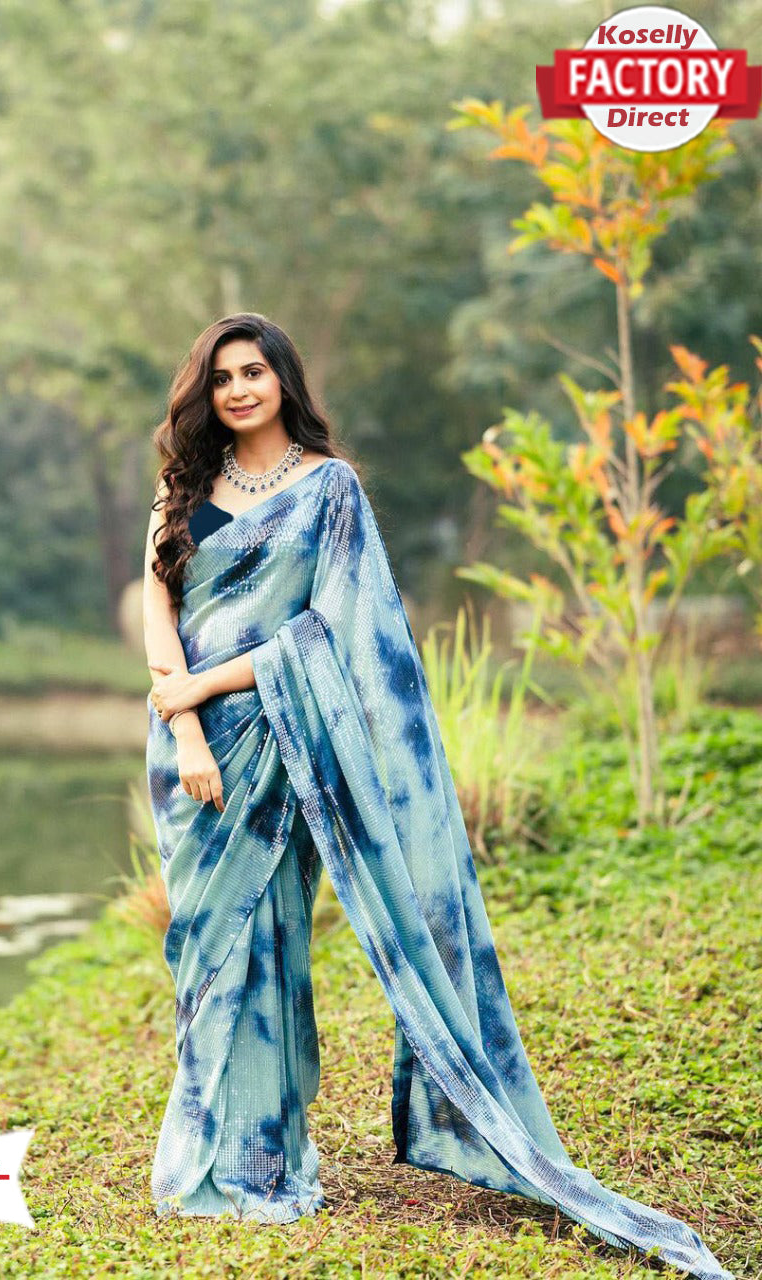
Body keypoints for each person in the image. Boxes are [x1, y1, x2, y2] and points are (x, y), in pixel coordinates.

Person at [141, 312, 731, 1279]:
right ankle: (202, 1148)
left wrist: (206, 687)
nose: (239, 389)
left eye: (255, 372)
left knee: (271, 939)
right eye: (222, 377)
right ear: (204, 392)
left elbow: (331, 631)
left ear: (284, 381)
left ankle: (261, 1157)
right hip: (189, 753)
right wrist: (188, 729)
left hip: (281, 736)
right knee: (205, 947)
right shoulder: (184, 491)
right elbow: (162, 616)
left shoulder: (327, 490)